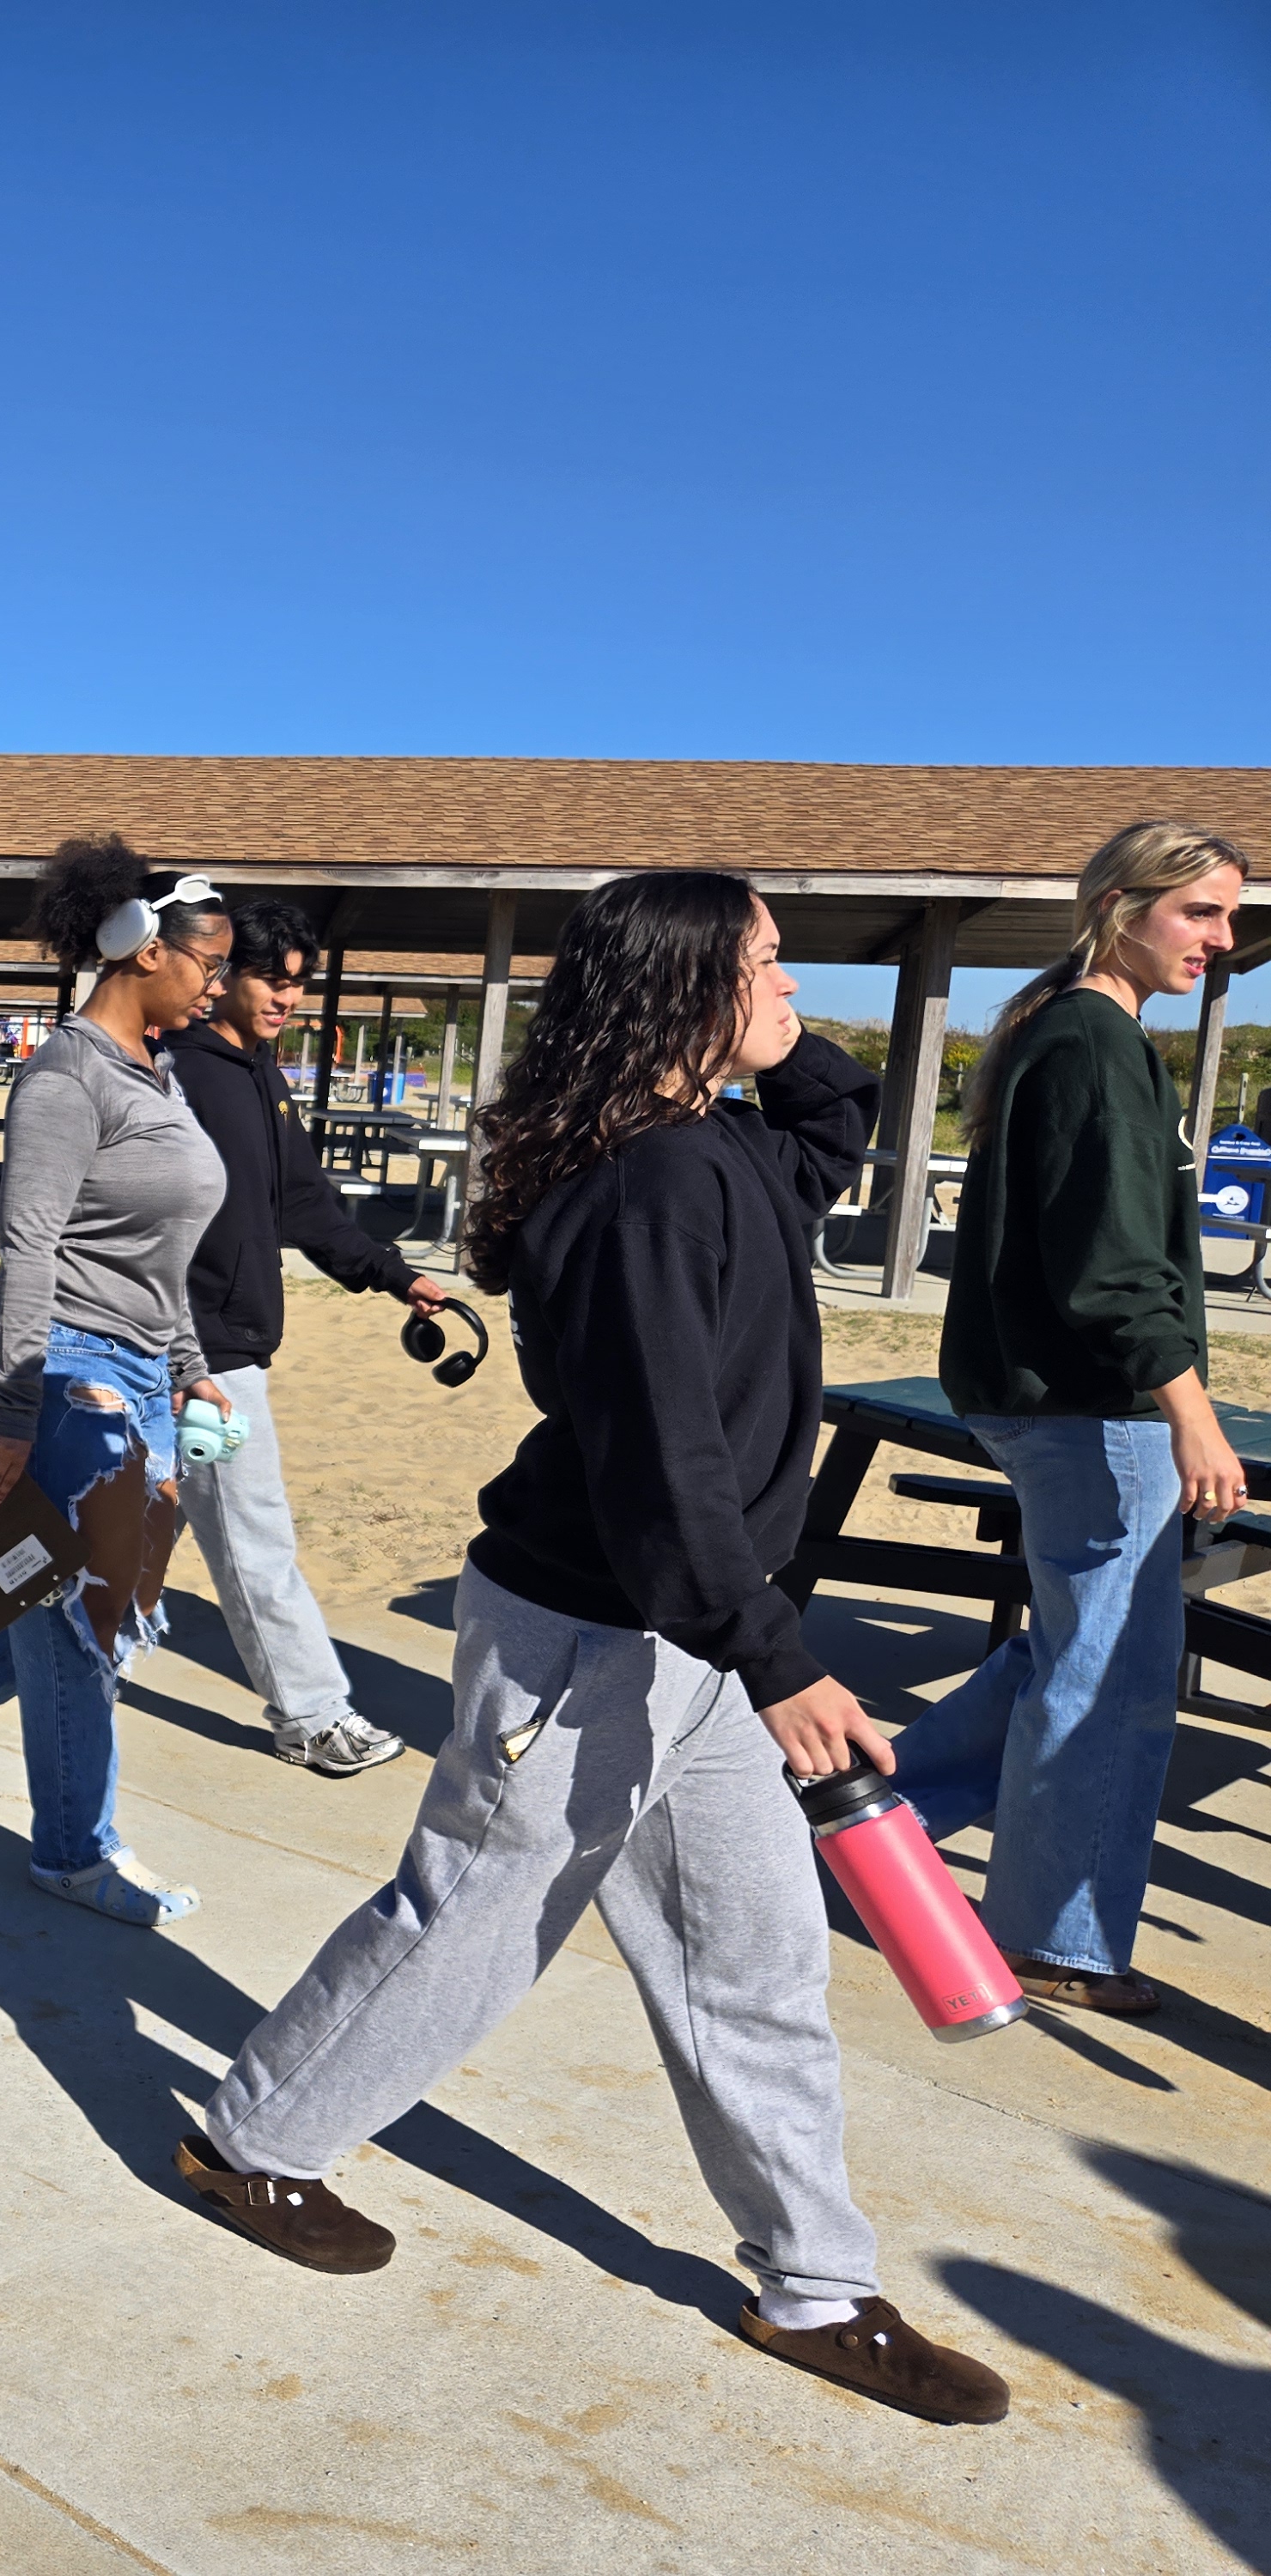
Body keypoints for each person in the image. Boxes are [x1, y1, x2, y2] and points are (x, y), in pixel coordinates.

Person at [179, 874, 1011, 2427]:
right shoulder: (644, 1189)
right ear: (688, 989)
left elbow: (833, 1126)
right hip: (590, 1634)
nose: (797, 994)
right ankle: (252, 2147)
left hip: (692, 1636)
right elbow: (658, 1468)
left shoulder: (732, 1150)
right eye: (765, 966)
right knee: (466, 1924)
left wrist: (771, 1042)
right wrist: (779, 1654)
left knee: (756, 1964)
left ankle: (814, 2285)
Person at [889, 820, 1252, 2019]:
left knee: (1078, 1650)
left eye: (1231, 916)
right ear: (1119, 903)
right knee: (1117, 1676)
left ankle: (880, 1812)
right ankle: (1057, 1938)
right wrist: (1189, 1411)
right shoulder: (1091, 1042)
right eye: (1198, 911)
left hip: (1054, 1399)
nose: (1223, 937)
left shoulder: (1071, 1034)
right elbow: (1108, 1266)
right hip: (1092, 1407)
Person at [0, 841, 235, 1924]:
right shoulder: (66, 1077)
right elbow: (27, 1249)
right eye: (206, 957)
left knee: (89, 1610)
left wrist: (190, 1373)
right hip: (55, 1362)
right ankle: (77, 1853)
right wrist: (20, 1412)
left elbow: (155, 1258)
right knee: (84, 1616)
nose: (219, 978)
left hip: (131, 1363)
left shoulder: (155, 1074)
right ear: (138, 948)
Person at [161, 898, 449, 1778]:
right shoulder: (178, 1075)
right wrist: (177, 1351)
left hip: (227, 1343)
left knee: (113, 1554)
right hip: (197, 1356)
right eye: (269, 980)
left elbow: (306, 1207)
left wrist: (393, 1274)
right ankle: (313, 1716)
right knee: (254, 1537)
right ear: (220, 976)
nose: (286, 998)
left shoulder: (261, 1076)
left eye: (297, 985)